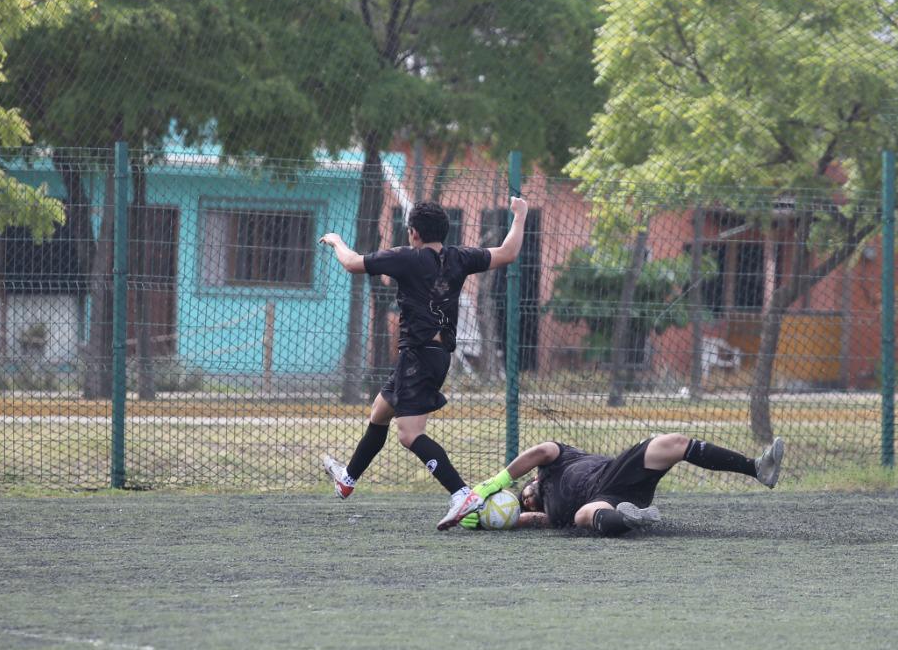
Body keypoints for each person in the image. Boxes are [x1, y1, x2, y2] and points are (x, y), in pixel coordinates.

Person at [319, 196, 529, 529]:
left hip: (418, 357)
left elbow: (352, 263)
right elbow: (508, 252)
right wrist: (520, 216)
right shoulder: (459, 257)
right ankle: (348, 478)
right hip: (433, 357)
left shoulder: (406, 258)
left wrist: (336, 241)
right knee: (380, 412)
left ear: (413, 233)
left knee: (409, 434)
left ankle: (461, 493)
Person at [461, 433, 785, 535]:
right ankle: (631, 518)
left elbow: (540, 450)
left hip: (614, 474)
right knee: (583, 516)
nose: (526, 501)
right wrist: (481, 521)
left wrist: (497, 482)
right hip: (603, 501)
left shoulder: (556, 461)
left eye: (523, 495)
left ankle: (756, 468)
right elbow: (518, 519)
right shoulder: (548, 516)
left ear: (532, 479)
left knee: (669, 442)